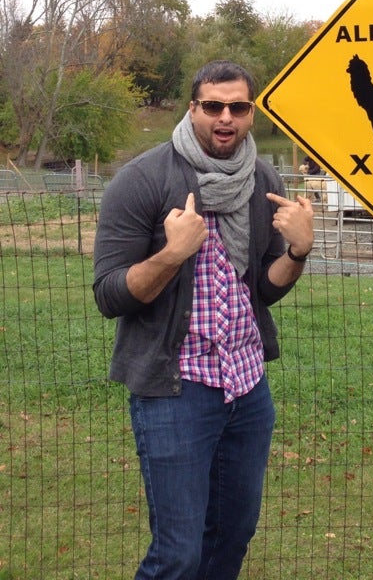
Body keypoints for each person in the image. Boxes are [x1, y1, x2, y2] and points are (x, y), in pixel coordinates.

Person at [93, 59, 314, 580]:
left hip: (247, 387)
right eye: (213, 106)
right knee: (178, 555)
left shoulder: (262, 179)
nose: (225, 117)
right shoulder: (143, 180)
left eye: (238, 107)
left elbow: (262, 288)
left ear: (252, 113)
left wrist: (299, 251)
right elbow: (109, 295)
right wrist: (173, 255)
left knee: (231, 539)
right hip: (176, 390)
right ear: (193, 109)